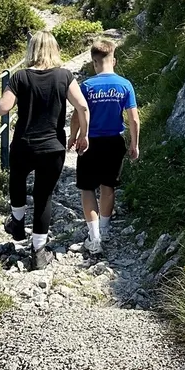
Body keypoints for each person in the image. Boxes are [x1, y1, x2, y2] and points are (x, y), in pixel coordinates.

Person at [0, 31, 90, 270]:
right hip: (52, 147)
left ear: (31, 50)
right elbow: (82, 106)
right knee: (44, 196)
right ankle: (38, 252)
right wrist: (83, 136)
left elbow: (3, 107)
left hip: (24, 144)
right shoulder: (65, 76)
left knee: (17, 180)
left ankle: (17, 223)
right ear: (54, 49)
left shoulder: (20, 77)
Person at [70, 38, 139, 256]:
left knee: (87, 188)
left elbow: (76, 115)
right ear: (114, 61)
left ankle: (94, 236)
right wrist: (135, 144)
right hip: (114, 141)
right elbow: (134, 119)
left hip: (90, 142)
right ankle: (105, 228)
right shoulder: (125, 85)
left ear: (94, 62)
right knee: (108, 187)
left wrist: (73, 136)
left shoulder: (87, 86)